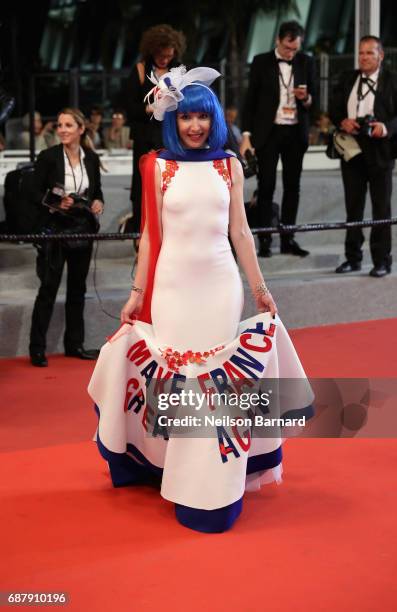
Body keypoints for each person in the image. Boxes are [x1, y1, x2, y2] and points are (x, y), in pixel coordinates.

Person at [88, 67, 313, 533]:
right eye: (186, 116)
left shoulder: (227, 164)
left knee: (217, 388)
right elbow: (150, 238)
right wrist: (136, 295)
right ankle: (168, 467)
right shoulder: (157, 166)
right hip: (170, 288)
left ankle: (210, 485)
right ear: (173, 118)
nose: (195, 126)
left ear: (214, 119)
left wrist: (260, 290)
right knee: (172, 380)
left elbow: (241, 233)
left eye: (202, 117)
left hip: (220, 287)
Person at [29, 107, 104, 367]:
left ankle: (75, 345)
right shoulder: (48, 156)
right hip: (55, 229)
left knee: (77, 289)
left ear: (80, 129)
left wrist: (97, 203)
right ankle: (37, 348)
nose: (62, 129)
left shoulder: (91, 158)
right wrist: (56, 203)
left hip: (82, 228)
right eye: (60, 125)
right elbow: (33, 192)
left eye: (68, 125)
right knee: (48, 289)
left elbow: (98, 192)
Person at [240, 20, 315, 258]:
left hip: (295, 132)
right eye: (287, 48)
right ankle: (264, 239)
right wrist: (246, 135)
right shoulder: (261, 61)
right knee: (266, 186)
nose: (291, 53)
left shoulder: (306, 61)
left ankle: (288, 238)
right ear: (278, 41)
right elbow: (250, 100)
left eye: (294, 49)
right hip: (268, 132)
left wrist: (306, 98)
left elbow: (316, 102)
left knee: (293, 187)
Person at [330, 36, 397, 278]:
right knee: (353, 207)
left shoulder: (391, 80)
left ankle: (382, 261)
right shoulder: (348, 78)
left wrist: (386, 127)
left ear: (381, 55)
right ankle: (353, 258)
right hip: (353, 149)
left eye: (369, 53)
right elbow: (334, 108)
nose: (364, 57)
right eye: (361, 53)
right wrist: (342, 121)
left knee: (382, 208)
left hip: (381, 149)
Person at [124, 23, 186, 248]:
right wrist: (150, 108)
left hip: (170, 136)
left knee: (172, 186)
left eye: (169, 55)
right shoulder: (141, 70)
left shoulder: (179, 71)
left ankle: (171, 235)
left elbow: (188, 102)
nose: (165, 60)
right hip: (145, 136)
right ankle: (142, 236)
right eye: (161, 56)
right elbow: (128, 107)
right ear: (152, 51)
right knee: (142, 185)